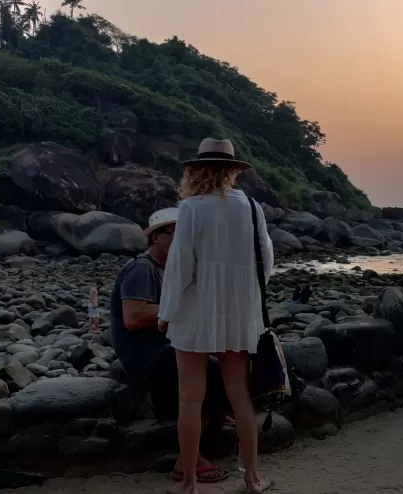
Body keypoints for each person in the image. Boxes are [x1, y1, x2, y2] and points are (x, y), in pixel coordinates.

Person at [158, 138, 274, 494]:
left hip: (196, 313)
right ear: (231, 172)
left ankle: (190, 482)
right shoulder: (253, 208)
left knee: (190, 399)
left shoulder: (191, 208)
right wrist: (243, 299)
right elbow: (266, 262)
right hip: (238, 313)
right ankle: (252, 478)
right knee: (238, 393)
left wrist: (166, 312)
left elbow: (181, 267)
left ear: (196, 171)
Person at [108, 207, 230, 485]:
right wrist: (182, 306)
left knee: (227, 360)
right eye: (175, 234)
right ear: (156, 238)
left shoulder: (173, 270)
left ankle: (209, 427)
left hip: (167, 346)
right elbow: (134, 317)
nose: (184, 241)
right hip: (144, 354)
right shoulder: (142, 268)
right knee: (208, 373)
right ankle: (189, 460)